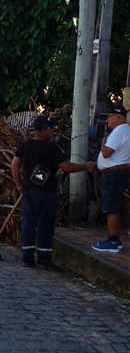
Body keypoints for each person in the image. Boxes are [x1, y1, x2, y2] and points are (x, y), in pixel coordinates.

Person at [11, 115, 95, 268]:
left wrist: (18, 184)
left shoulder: (25, 145)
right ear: (42, 129)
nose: (53, 131)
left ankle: (27, 257)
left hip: (28, 190)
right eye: (50, 128)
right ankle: (44, 258)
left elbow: (14, 165)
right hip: (45, 192)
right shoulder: (51, 148)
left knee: (28, 223)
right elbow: (66, 167)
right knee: (45, 223)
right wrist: (85, 166)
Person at [93, 106, 130, 253]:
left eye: (111, 116)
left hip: (114, 174)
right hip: (118, 172)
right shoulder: (125, 131)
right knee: (114, 205)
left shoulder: (120, 130)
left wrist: (104, 139)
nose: (107, 120)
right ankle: (115, 240)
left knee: (112, 207)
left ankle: (113, 241)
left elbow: (107, 152)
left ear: (119, 118)